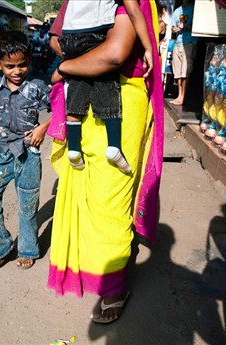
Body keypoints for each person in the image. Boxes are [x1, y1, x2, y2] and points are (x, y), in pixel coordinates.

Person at [47, 0, 164, 324]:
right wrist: (83, 52)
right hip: (82, 94)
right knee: (84, 191)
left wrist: (65, 67)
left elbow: (114, 53)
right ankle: (88, 267)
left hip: (123, 99)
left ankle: (114, 286)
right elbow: (56, 38)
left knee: (111, 199)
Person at [0, 31, 51, 271]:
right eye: (10, 66)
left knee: (28, 206)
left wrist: (43, 127)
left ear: (29, 61)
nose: (17, 71)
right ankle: (0, 247)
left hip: (28, 155)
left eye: (22, 65)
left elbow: (59, 109)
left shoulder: (36, 88)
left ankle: (28, 249)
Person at [58, 0, 155, 173]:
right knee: (105, 79)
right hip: (93, 33)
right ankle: (114, 146)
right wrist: (148, 48)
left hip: (68, 36)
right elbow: (133, 10)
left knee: (78, 78)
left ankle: (73, 147)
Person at [169, 0, 198, 106]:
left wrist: (185, 27)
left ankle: (183, 97)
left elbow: (197, 26)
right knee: (178, 72)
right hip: (178, 43)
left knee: (186, 71)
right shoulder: (177, 11)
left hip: (189, 42)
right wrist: (175, 29)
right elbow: (172, 27)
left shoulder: (194, 9)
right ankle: (179, 96)